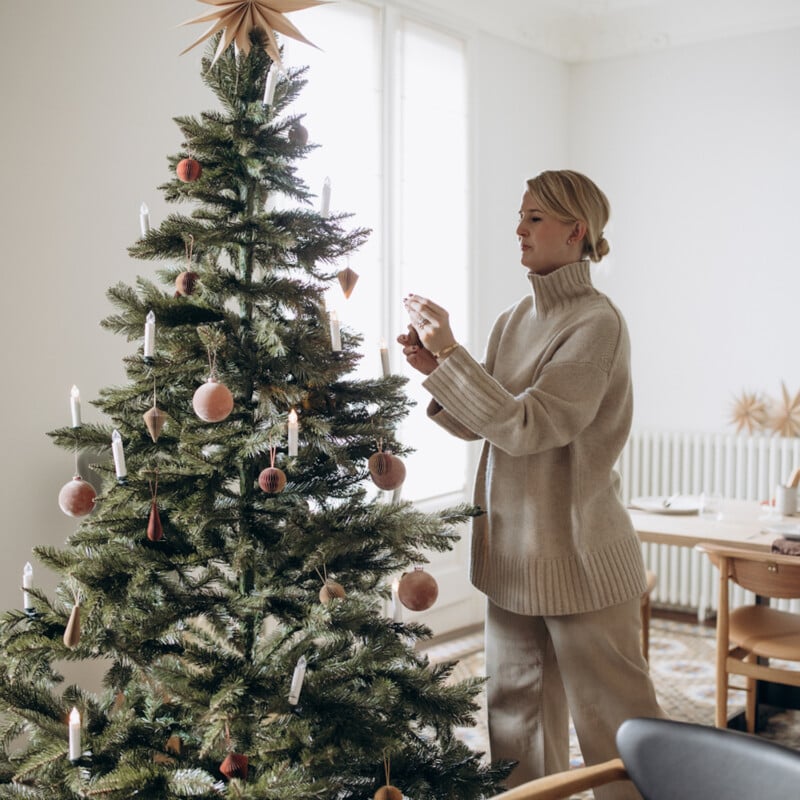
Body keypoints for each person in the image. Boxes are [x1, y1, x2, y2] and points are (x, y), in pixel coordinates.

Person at [397, 170, 665, 799]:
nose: (519, 228)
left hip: (580, 559)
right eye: (521, 215)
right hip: (512, 556)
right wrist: (439, 367)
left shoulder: (598, 324)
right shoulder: (514, 317)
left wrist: (455, 358)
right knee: (515, 728)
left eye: (536, 218)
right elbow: (481, 421)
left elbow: (527, 426)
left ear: (578, 232)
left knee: (618, 732)